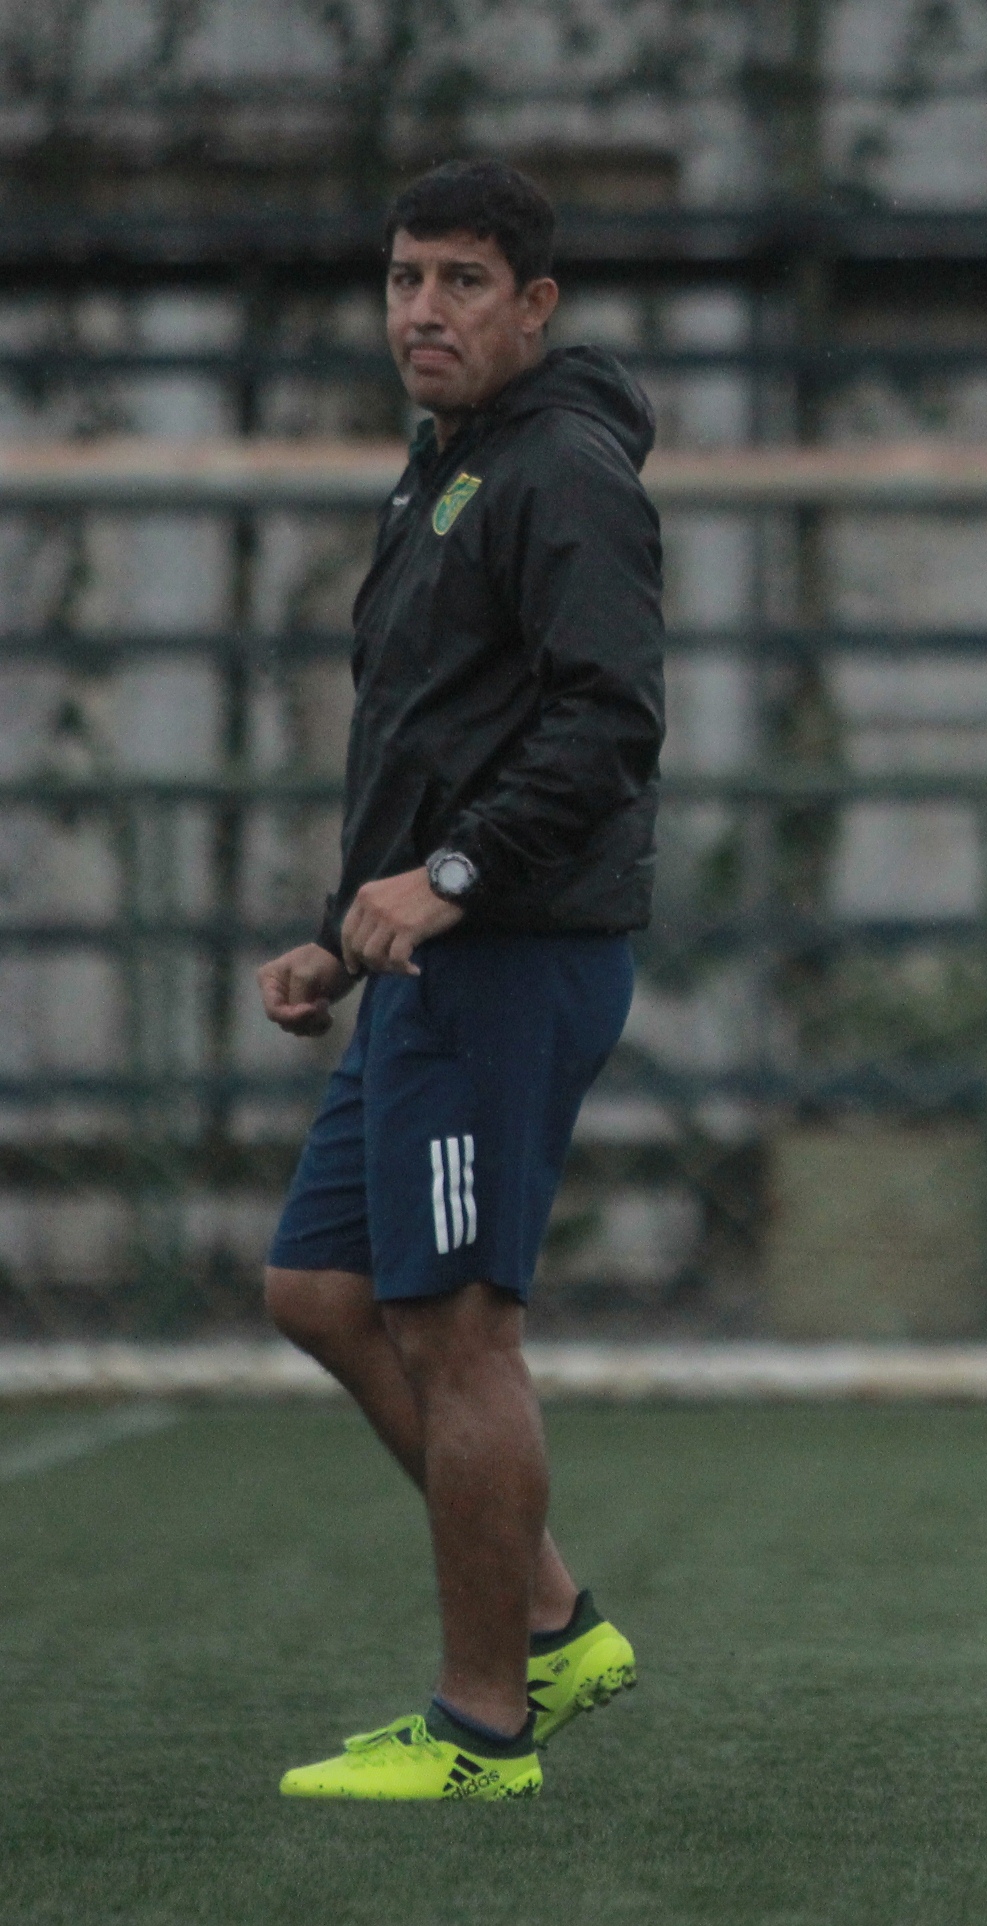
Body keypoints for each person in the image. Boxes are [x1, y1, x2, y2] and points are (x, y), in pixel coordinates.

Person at [254, 159, 665, 1801]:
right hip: (430, 956)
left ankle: (485, 1725)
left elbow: (605, 719)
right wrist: (332, 924)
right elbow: (427, 737)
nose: (423, 308)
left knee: (457, 1326)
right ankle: (553, 1615)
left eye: (463, 282)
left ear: (534, 305)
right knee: (322, 1291)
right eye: (406, 276)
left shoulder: (560, 471)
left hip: (510, 955)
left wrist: (454, 880)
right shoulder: (440, 470)